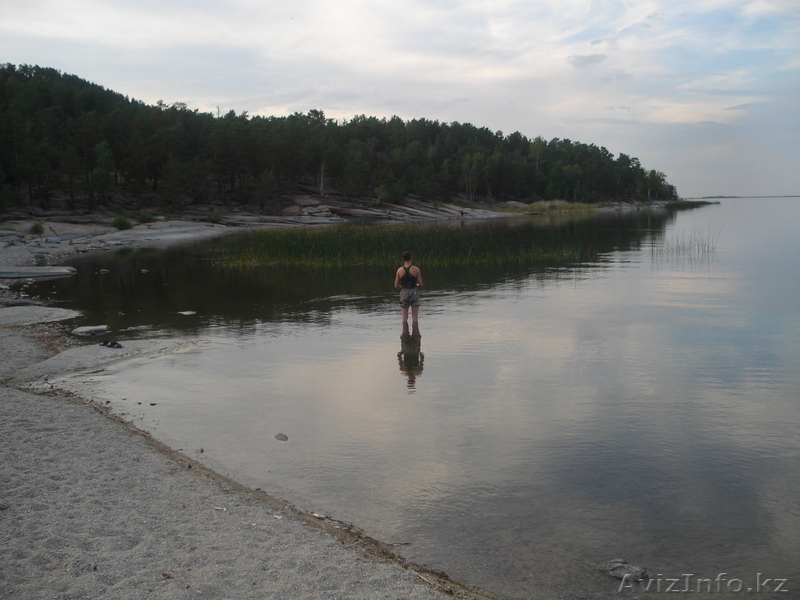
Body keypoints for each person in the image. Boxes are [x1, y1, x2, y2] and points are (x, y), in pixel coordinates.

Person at [394, 251, 423, 323]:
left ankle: (404, 332)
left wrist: (403, 288)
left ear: (402, 259)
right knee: (415, 317)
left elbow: (396, 286)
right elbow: (421, 284)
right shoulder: (416, 269)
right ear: (411, 258)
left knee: (404, 317)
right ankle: (416, 332)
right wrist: (416, 285)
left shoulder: (399, 270)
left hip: (404, 292)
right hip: (414, 291)